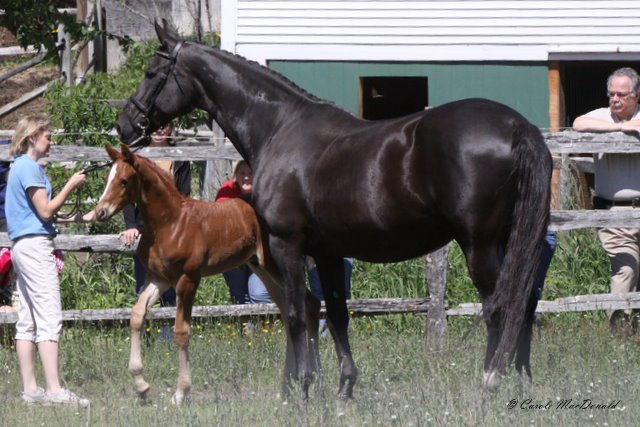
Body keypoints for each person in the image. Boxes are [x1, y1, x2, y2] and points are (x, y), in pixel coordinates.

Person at [4, 114, 90, 406]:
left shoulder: (21, 168)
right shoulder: (29, 169)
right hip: (35, 248)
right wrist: (71, 185)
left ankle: (31, 390)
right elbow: (45, 211)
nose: (51, 141)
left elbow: (45, 214)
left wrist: (83, 216)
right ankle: (54, 391)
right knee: (49, 317)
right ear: (32, 138)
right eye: (48, 136)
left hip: (23, 246)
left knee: (27, 319)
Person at [573, 67, 640, 334]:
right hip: (613, 213)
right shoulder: (600, 116)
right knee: (626, 268)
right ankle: (620, 333)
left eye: (622, 95)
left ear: (636, 95)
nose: (615, 99)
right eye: (611, 94)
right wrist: (622, 128)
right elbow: (578, 123)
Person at [119, 122, 191, 314]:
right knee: (144, 287)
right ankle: (145, 335)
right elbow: (126, 195)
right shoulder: (138, 156)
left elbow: (184, 195)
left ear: (170, 129)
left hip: (173, 231)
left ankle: (167, 338)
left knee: (172, 287)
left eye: (165, 126)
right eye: (155, 126)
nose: (159, 130)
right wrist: (131, 225)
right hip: (144, 228)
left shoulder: (180, 158)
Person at [215, 160, 272, 304]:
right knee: (238, 295)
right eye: (242, 173)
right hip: (232, 249)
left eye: (250, 173)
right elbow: (221, 222)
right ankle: (244, 326)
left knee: (259, 295)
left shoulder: (267, 190)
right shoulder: (227, 190)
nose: (246, 177)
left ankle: (263, 325)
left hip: (261, 248)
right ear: (235, 176)